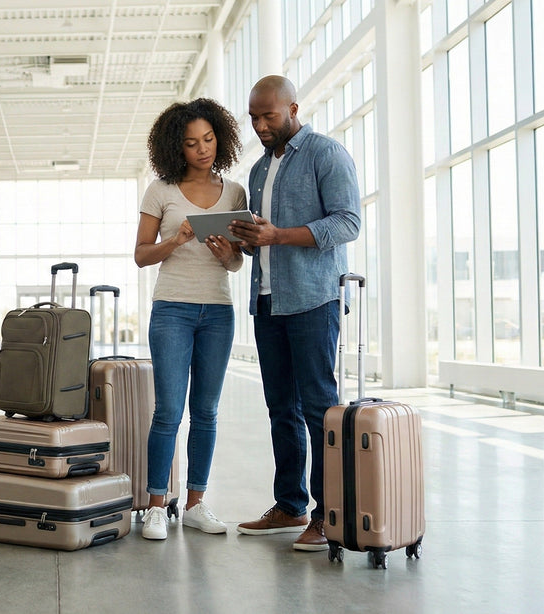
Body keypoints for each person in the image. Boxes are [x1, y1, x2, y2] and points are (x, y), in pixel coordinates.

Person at [227, 75, 361, 551]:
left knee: (318, 411)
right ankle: (290, 505)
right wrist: (242, 238)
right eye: (253, 118)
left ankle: (327, 516)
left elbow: (348, 222)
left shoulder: (326, 154)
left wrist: (278, 235)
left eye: (268, 116)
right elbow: (260, 238)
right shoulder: (260, 171)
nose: (260, 125)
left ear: (293, 109)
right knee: (280, 409)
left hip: (312, 300)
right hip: (267, 301)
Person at [134, 98, 247, 540]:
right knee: (168, 411)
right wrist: (176, 240)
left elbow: (237, 264)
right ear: (174, 148)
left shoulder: (236, 193)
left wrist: (228, 256)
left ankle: (197, 503)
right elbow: (142, 255)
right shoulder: (159, 191)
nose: (202, 149)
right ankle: (157, 505)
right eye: (191, 143)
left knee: (206, 411)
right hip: (173, 310)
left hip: (218, 311)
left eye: (208, 139)